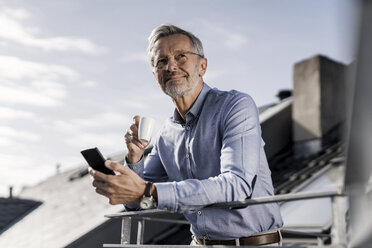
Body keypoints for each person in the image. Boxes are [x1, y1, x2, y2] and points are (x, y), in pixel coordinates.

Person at [90, 24, 283, 246]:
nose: (171, 66)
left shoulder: (235, 106)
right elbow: (136, 201)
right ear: (156, 75)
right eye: (161, 61)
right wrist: (134, 157)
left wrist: (149, 191)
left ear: (202, 66)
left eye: (180, 56)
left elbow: (236, 186)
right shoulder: (166, 135)